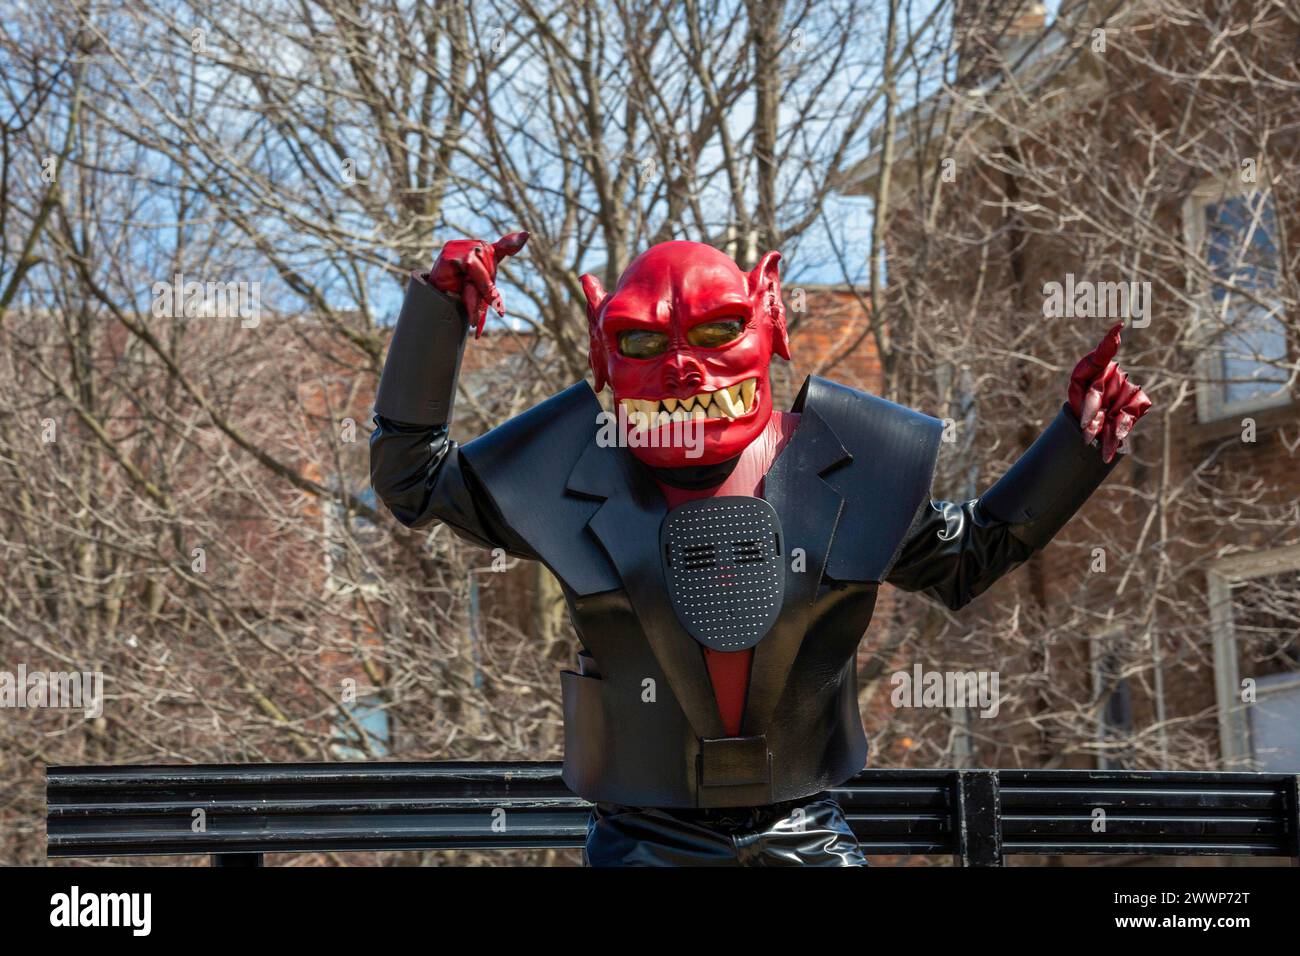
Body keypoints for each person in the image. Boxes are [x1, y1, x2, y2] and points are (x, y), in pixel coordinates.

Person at [370, 232, 1151, 866]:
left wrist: (1075, 446)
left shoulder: (850, 464)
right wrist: (437, 313)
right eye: (642, 338)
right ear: (602, 353)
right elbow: (412, 480)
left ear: (768, 315)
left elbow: (968, 556)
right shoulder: (565, 468)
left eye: (717, 329)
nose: (684, 363)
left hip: (803, 832)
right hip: (645, 839)